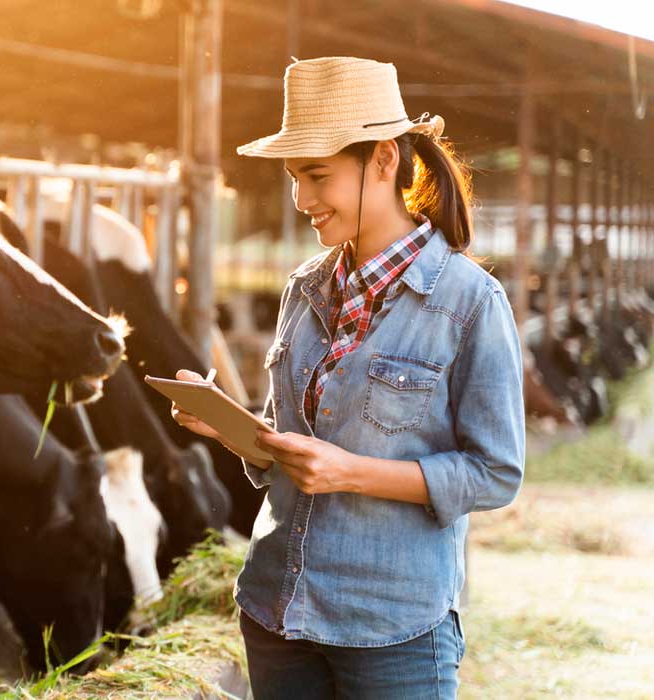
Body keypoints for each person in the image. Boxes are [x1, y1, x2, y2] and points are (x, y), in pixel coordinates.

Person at [171, 56, 525, 699]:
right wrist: (229, 427)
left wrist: (350, 471)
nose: (301, 199)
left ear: (383, 160)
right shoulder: (303, 289)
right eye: (293, 177)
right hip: (277, 611)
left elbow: (495, 472)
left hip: (391, 628)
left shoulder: (470, 302)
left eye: (317, 175)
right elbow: (289, 451)